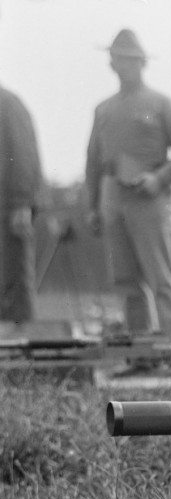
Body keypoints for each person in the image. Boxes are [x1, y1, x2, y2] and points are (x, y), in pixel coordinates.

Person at [84, 29, 171, 365]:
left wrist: (159, 178)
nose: (122, 65)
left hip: (151, 197)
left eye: (129, 59)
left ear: (142, 62)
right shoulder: (103, 109)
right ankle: (142, 358)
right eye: (117, 58)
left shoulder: (161, 103)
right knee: (126, 282)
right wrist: (92, 207)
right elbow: (93, 161)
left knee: (162, 279)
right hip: (113, 195)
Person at [0, 82, 40, 326]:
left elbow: (24, 154)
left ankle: (24, 355)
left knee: (16, 282)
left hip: (8, 211)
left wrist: (21, 203)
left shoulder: (8, 103)